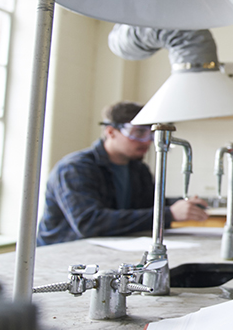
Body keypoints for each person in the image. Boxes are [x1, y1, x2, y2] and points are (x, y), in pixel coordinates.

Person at [38, 101, 209, 245]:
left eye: (151, 134)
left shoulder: (138, 169)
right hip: (63, 254)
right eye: (139, 132)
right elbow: (90, 223)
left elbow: (147, 206)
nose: (147, 141)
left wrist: (184, 204)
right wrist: (169, 213)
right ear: (111, 132)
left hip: (108, 251)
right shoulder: (75, 168)